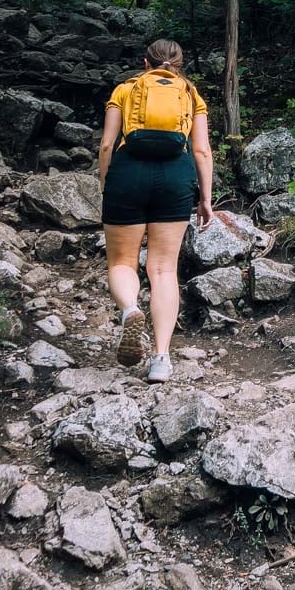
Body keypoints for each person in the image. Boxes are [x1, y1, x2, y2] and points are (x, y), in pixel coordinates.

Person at [98, 39, 214, 382]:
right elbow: (202, 150)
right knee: (163, 269)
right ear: (179, 63)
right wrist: (205, 198)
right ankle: (161, 359)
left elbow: (107, 143)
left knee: (122, 262)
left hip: (127, 173)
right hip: (174, 177)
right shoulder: (191, 95)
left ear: (145, 62)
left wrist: (107, 182)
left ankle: (131, 311)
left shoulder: (125, 88)